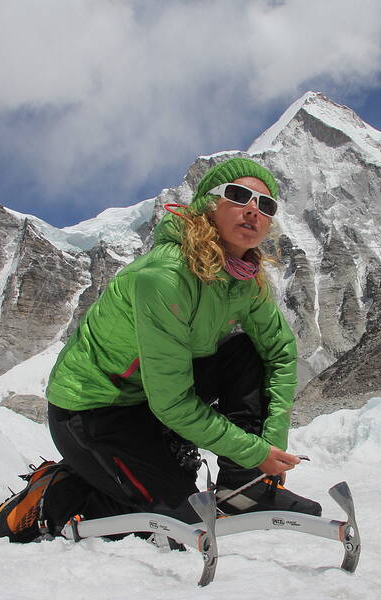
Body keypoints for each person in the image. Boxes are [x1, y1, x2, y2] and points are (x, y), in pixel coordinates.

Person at [46, 157, 321, 523]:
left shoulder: (243, 280)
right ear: (209, 205)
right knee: (181, 519)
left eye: (266, 205)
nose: (253, 210)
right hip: (92, 410)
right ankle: (56, 496)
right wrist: (254, 451)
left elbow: (281, 352)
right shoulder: (165, 278)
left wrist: (269, 445)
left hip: (148, 400)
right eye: (239, 196)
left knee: (246, 351)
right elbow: (172, 402)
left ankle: (246, 488)